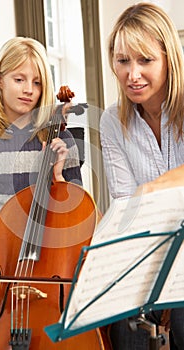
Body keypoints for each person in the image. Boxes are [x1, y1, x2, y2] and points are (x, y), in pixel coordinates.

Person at [0, 37, 82, 349]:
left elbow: (78, 212)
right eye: (19, 79)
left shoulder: (60, 139)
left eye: (37, 82)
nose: (29, 90)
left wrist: (59, 176)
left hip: (52, 248)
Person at [100, 2, 184, 349]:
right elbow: (124, 202)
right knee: (115, 307)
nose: (132, 74)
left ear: (168, 59)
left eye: (145, 60)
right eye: (123, 61)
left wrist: (151, 189)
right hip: (151, 245)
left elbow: (141, 197)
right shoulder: (110, 121)